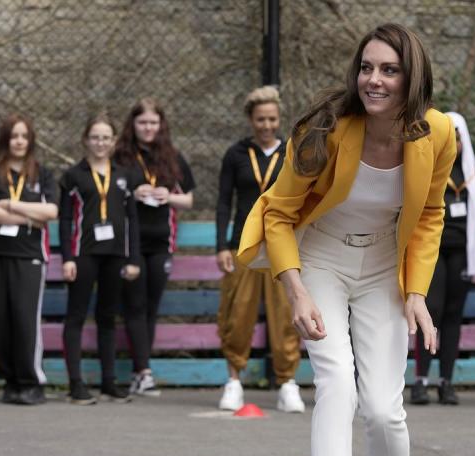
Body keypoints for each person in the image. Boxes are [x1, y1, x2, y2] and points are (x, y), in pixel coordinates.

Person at [238, 23, 455, 456]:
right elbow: (279, 214)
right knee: (337, 383)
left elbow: (430, 214)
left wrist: (416, 292)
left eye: (388, 70)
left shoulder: (438, 132)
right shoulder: (325, 128)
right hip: (323, 259)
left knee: (384, 405)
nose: (373, 80)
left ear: (413, 77)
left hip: (385, 262)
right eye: (366, 67)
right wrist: (297, 287)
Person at [215, 86, 304, 413]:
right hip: (244, 244)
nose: (266, 125)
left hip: (284, 245)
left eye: (272, 119)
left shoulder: (292, 152)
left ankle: (287, 382)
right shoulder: (236, 154)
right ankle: (234, 380)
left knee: (286, 313)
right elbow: (225, 202)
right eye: (260, 119)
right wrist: (221, 245)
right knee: (237, 313)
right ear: (250, 120)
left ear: (279, 119)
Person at [410, 111, 475, 405]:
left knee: (453, 315)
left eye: (459, 138)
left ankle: (446, 382)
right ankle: (420, 381)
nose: (455, 143)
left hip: (463, 251)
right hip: (432, 250)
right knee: (430, 312)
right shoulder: (427, 165)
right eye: (450, 137)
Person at [113, 98, 195, 397]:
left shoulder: (171, 156)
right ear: (132, 125)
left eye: (152, 123)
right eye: (142, 123)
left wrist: (168, 196)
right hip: (129, 241)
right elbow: (108, 195)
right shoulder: (121, 157)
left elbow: (188, 199)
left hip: (161, 240)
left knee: (151, 307)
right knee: (134, 305)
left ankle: (141, 370)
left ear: (161, 125)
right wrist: (132, 193)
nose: (148, 128)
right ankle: (143, 371)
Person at [59, 113, 141, 404]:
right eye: (95, 137)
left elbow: (132, 219)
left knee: (107, 317)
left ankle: (109, 382)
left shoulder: (124, 175)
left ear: (114, 141)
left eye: (106, 137)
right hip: (84, 253)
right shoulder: (73, 175)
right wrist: (67, 257)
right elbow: (66, 218)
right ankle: (76, 383)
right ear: (85, 140)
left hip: (116, 255)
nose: (100, 143)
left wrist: (134, 259)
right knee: (76, 316)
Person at [0, 115, 58, 405]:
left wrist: (11, 204)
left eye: (24, 136)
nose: (19, 142)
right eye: (13, 136)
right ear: (5, 139)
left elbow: (50, 212)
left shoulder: (42, 173)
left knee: (25, 318)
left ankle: (31, 380)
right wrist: (31, 214)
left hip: (29, 256)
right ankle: (10, 379)